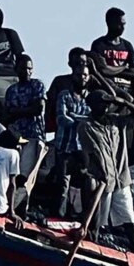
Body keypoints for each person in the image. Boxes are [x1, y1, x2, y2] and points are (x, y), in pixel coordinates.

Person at [78, 90, 134, 239]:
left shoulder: (117, 121)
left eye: (107, 103)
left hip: (121, 179)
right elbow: (94, 154)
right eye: (101, 102)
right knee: (97, 223)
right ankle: (93, 245)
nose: (105, 106)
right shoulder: (86, 126)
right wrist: (106, 178)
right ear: (92, 105)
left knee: (129, 221)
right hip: (104, 181)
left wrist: (123, 102)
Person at [3, 55, 46, 211]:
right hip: (17, 138)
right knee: (14, 174)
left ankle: (20, 210)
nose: (27, 71)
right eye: (23, 68)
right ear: (16, 69)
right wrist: (25, 110)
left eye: (29, 68)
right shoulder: (11, 90)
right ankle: (10, 207)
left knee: (25, 178)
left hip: (34, 137)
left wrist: (17, 111)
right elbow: (7, 115)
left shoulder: (37, 85)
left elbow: (38, 108)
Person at [52, 64, 92, 218]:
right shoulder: (64, 95)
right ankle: (58, 217)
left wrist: (73, 116)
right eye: (79, 74)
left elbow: (91, 121)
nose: (82, 77)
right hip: (64, 147)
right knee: (62, 185)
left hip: (81, 150)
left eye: (85, 75)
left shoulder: (90, 98)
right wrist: (80, 121)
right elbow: (61, 118)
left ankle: (76, 217)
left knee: (80, 186)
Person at [91, 7, 134, 93]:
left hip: (127, 89)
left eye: (124, 24)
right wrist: (124, 67)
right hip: (107, 88)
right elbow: (102, 70)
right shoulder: (98, 45)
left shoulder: (127, 45)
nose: (122, 27)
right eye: (119, 24)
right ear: (109, 23)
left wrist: (111, 70)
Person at [46, 48, 87, 134]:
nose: (80, 65)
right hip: (63, 132)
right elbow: (50, 105)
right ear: (70, 64)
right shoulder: (60, 81)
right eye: (77, 63)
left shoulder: (90, 82)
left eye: (83, 62)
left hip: (85, 135)